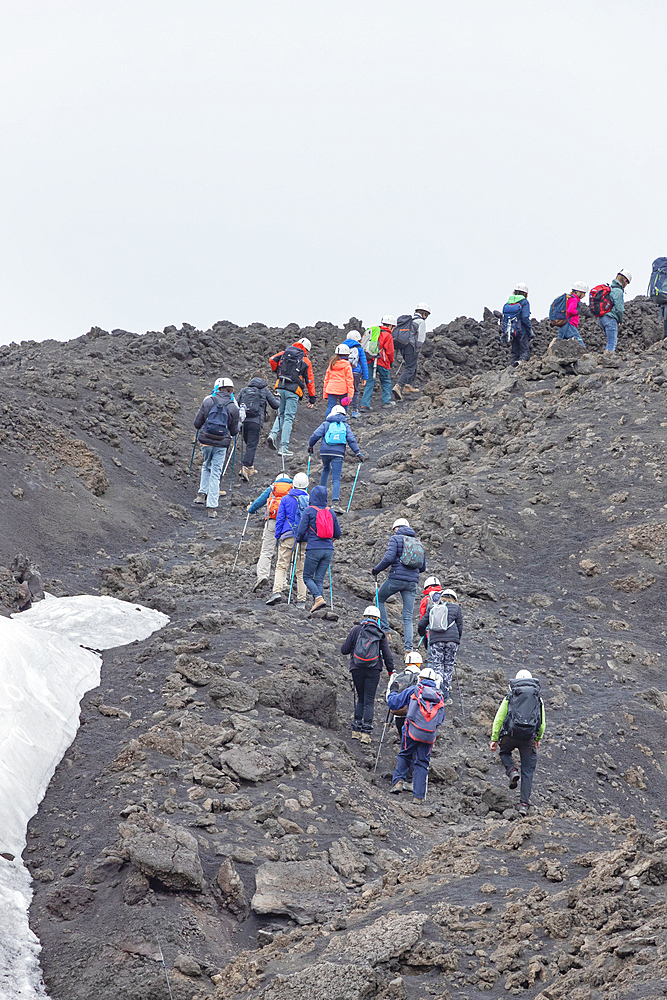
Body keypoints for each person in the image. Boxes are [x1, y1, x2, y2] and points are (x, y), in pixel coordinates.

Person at [490, 669, 546, 817]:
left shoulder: (511, 695)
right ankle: (523, 805)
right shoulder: (537, 698)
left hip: (511, 734)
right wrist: (538, 739)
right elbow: (542, 722)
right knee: (527, 771)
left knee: (504, 752)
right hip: (528, 738)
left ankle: (512, 771)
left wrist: (494, 739)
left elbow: (499, 718)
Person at [388, 666, 445, 802]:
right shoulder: (439, 696)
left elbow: (393, 703)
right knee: (422, 763)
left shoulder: (413, 690)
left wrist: (393, 691)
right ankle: (418, 797)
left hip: (411, 732)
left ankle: (398, 782)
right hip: (429, 736)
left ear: (420, 678)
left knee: (405, 754)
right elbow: (440, 719)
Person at [340, 605, 394, 744]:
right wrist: (390, 671)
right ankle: (366, 734)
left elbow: (344, 650)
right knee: (369, 700)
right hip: (373, 669)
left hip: (357, 668)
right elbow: (387, 655)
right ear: (377, 619)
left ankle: (355, 730)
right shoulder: (380, 633)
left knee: (361, 698)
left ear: (364, 617)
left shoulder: (356, 630)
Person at [371, 518, 426, 652]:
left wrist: (376, 570)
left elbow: (388, 558)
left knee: (379, 599)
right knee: (407, 617)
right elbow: (422, 568)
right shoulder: (417, 542)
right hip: (412, 583)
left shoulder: (395, 539)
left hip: (396, 579)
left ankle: (386, 630)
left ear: (397, 528)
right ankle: (408, 649)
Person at [192, 378, 240, 518]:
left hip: (206, 441)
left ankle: (201, 494)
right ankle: (211, 507)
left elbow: (197, 423)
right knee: (216, 472)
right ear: (231, 391)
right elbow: (233, 432)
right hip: (221, 444)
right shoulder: (233, 407)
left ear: (217, 388)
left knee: (206, 465)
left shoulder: (208, 401)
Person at [308, 404, 364, 514]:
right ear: (343, 414)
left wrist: (310, 446)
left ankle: (320, 500)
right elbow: (351, 440)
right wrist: (358, 453)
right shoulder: (345, 426)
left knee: (325, 470)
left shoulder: (326, 423)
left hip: (324, 452)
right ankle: (335, 504)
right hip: (338, 453)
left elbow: (315, 435)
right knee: (336, 478)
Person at [294, 485, 342, 614]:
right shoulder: (331, 511)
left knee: (307, 577)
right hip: (328, 550)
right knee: (319, 578)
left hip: (314, 548)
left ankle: (318, 598)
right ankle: (318, 607)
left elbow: (301, 530)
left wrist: (299, 539)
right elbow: (338, 533)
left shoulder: (309, 511)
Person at [266, 472, 310, 609]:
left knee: (281, 565)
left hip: (287, 535)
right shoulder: (310, 500)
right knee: (301, 570)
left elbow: (280, 519)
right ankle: (301, 600)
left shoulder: (285, 499)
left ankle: (277, 592)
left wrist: (278, 536)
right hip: (304, 538)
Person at [268, 338, 316, 457]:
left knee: (280, 415)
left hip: (280, 387)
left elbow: (272, 359)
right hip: (293, 391)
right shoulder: (305, 360)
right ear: (307, 349)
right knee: (288, 418)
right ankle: (283, 448)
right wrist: (312, 398)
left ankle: (273, 435)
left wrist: (277, 370)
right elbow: (309, 380)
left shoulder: (284, 353)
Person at [247, 473, 293, 591]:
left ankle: (262, 576)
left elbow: (258, 502)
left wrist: (251, 509)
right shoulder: (293, 489)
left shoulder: (272, 488)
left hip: (272, 522)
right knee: (283, 553)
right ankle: (282, 582)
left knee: (267, 550)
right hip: (287, 524)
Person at [417, 589, 463, 695]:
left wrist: (423, 635)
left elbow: (421, 625)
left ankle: (437, 690)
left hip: (436, 640)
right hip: (452, 641)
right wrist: (457, 639)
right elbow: (460, 626)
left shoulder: (433, 608)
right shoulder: (456, 608)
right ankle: (445, 691)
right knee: (449, 664)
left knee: (437, 664)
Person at [237, 372, 280, 481]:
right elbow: (275, 405)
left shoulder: (244, 390)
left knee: (249, 443)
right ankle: (245, 468)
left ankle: (250, 467)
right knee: (252, 445)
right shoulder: (265, 390)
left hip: (243, 421)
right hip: (256, 421)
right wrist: (278, 397)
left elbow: (236, 404)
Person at [392, 303, 430, 401]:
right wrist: (418, 348)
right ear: (424, 313)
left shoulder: (410, 320)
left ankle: (408, 386)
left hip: (403, 346)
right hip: (412, 347)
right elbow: (421, 338)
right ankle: (398, 386)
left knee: (413, 365)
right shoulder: (420, 322)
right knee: (409, 367)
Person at [360, 316, 396, 411]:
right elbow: (390, 352)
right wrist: (391, 362)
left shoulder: (374, 331)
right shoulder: (387, 335)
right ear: (391, 325)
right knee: (386, 381)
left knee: (370, 382)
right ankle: (386, 402)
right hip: (382, 361)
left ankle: (364, 405)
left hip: (369, 360)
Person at [598, 270, 632, 354]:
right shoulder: (618, 291)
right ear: (625, 280)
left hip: (602, 318)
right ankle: (608, 361)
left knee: (610, 340)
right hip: (610, 319)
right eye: (627, 283)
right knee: (612, 343)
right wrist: (619, 321)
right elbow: (619, 309)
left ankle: (605, 359)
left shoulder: (610, 288)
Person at [501, 284, 532, 367]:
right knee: (524, 350)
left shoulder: (509, 302)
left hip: (511, 330)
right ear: (525, 293)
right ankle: (520, 363)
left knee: (514, 351)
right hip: (522, 330)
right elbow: (525, 317)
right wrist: (529, 328)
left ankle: (511, 367)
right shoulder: (524, 302)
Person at [322, 344, 355, 416]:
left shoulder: (331, 364)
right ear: (347, 355)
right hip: (343, 390)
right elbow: (349, 380)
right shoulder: (347, 365)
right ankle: (342, 423)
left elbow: (326, 379)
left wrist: (325, 394)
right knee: (344, 407)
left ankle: (328, 423)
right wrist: (350, 395)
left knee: (330, 407)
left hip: (331, 389)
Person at [342, 330, 368, 417]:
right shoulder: (359, 349)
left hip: (345, 373)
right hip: (356, 373)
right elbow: (364, 363)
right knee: (355, 391)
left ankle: (344, 412)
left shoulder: (343, 348)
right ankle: (355, 411)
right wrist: (365, 377)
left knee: (345, 392)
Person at [556, 283, 588, 347]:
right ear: (578, 292)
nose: (584, 295)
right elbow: (570, 311)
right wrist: (577, 311)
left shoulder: (569, 299)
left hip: (563, 324)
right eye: (584, 293)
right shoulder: (574, 300)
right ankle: (583, 356)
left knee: (559, 344)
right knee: (580, 344)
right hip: (570, 325)